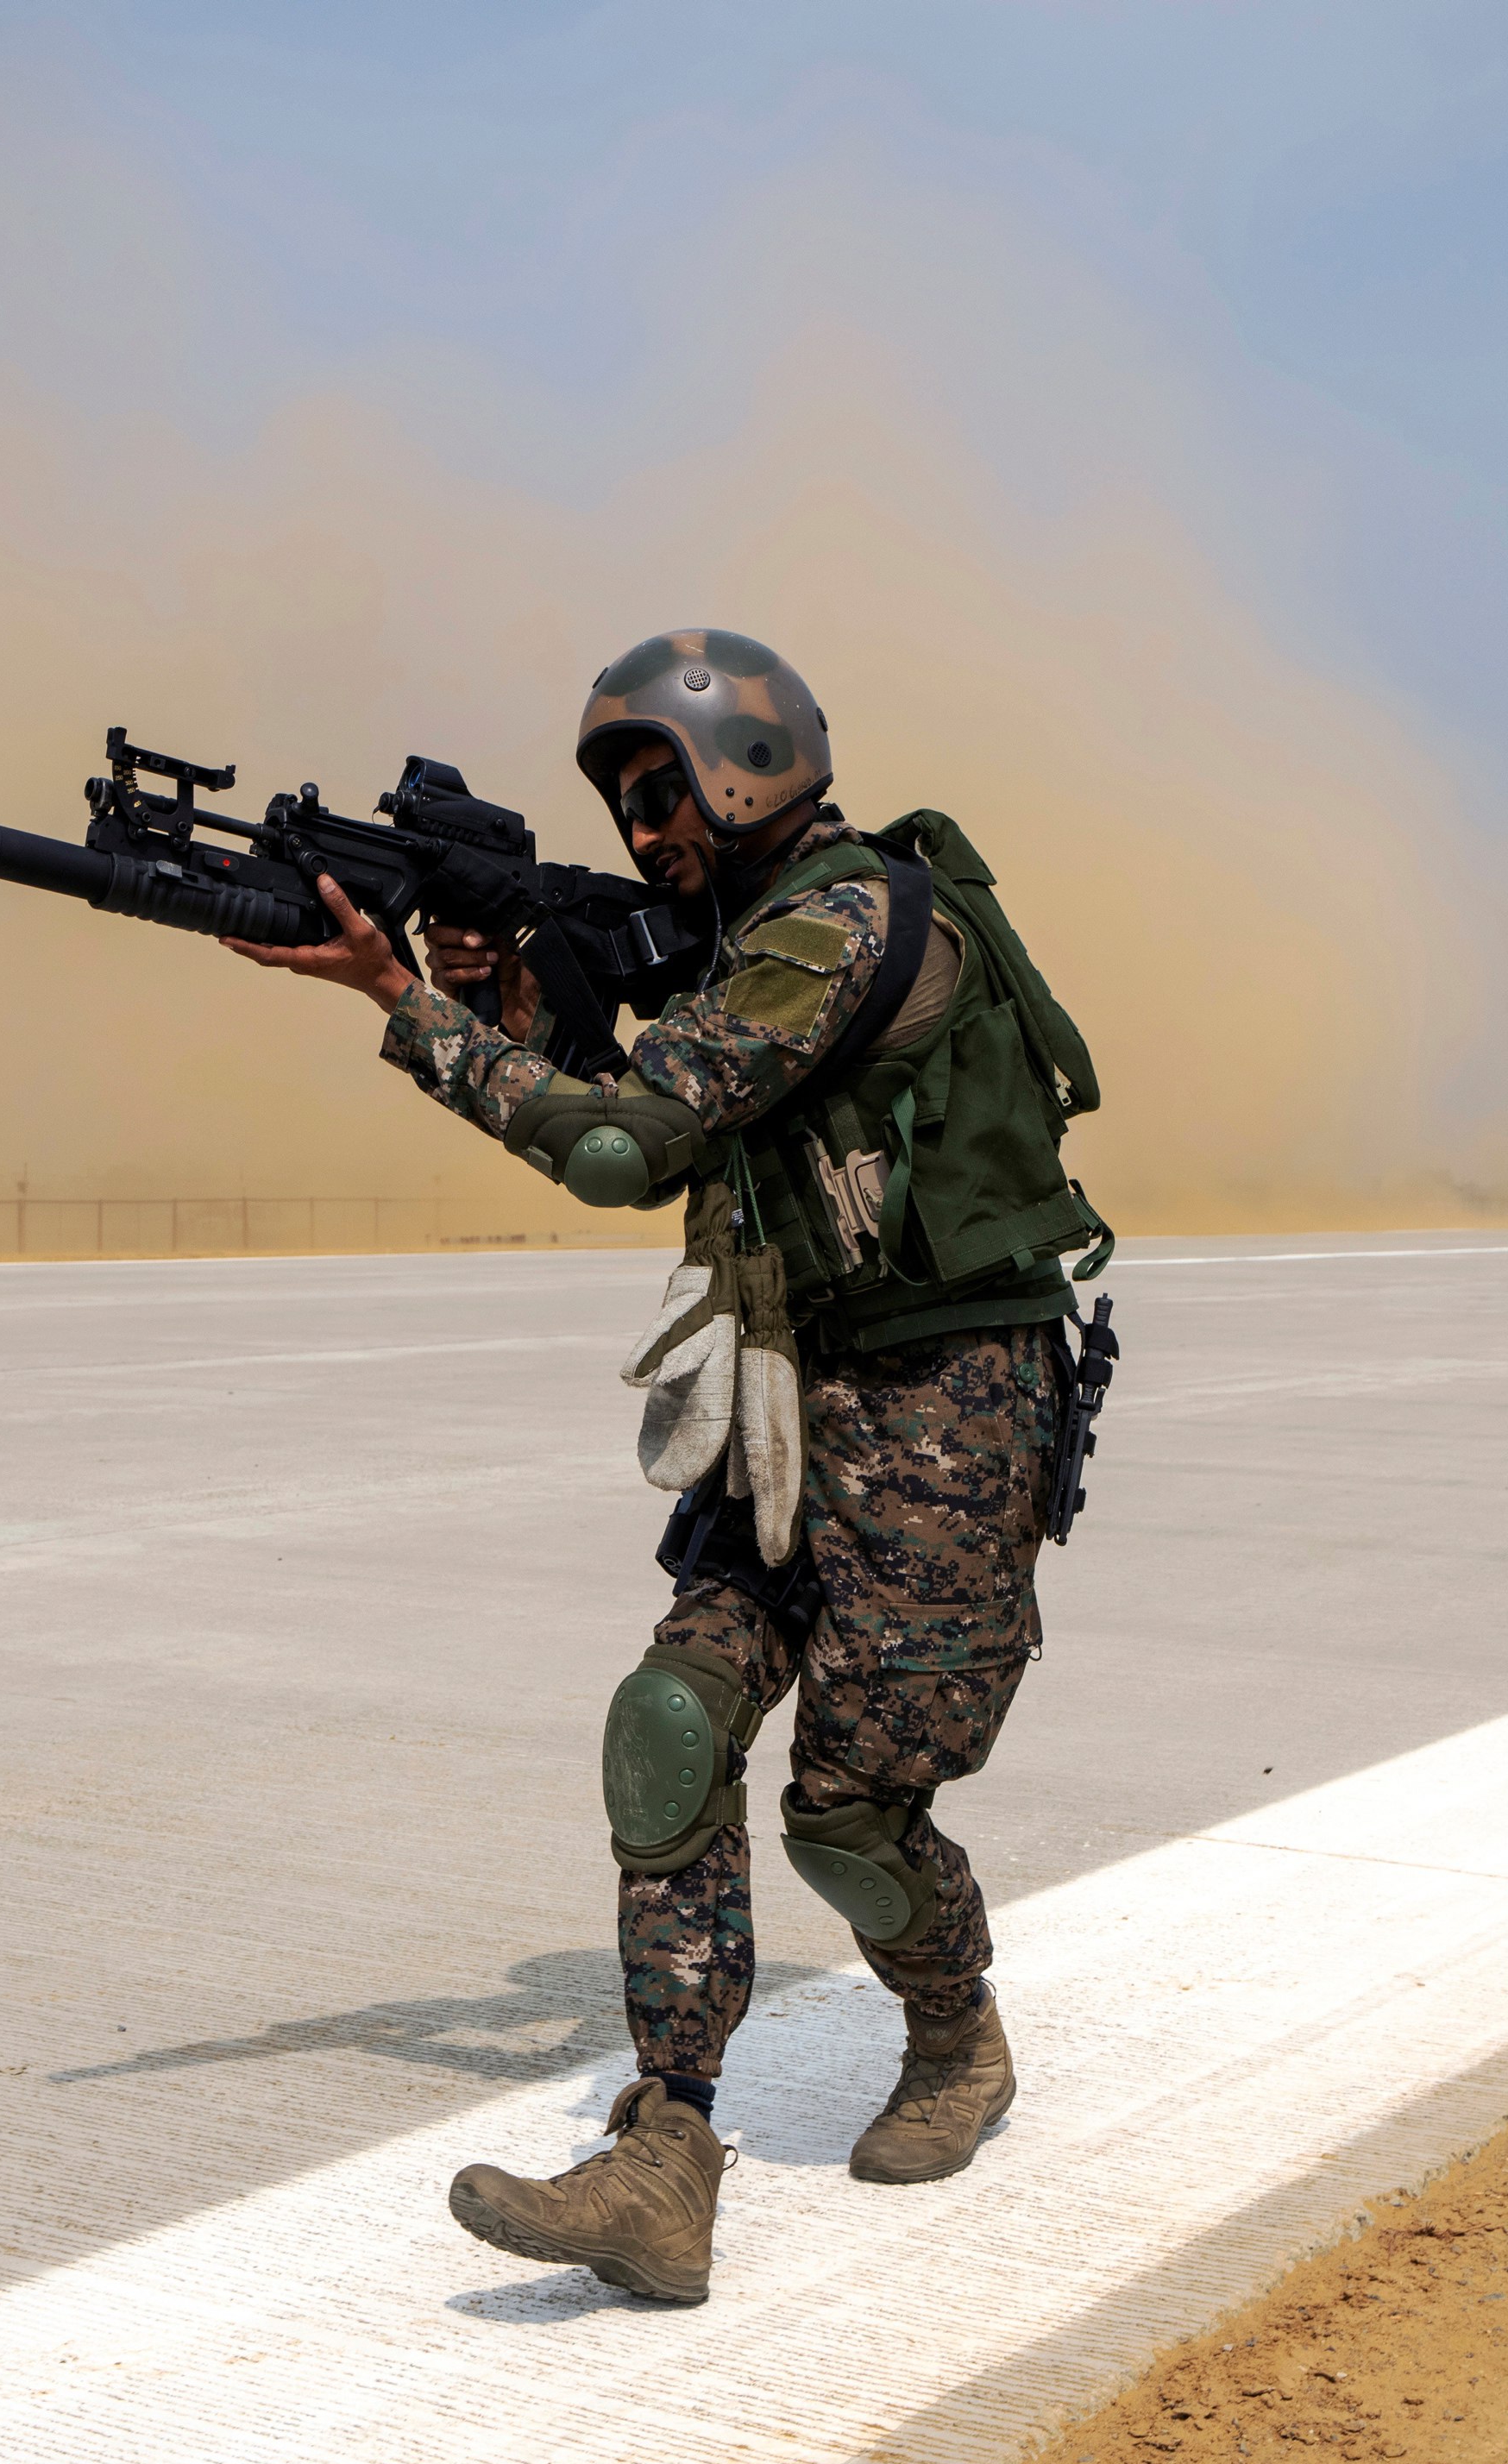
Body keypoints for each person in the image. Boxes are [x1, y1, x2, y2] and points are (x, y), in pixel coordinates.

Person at [217, 627, 1108, 2305]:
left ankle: (955, 2036)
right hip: (779, 1389)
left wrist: (406, 1010)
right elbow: (586, 1057)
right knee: (669, 1725)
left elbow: (627, 1142)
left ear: (748, 761)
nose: (642, 826)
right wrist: (505, 983)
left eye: (660, 787)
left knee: (849, 1814)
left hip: (939, 1411)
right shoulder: (714, 939)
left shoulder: (837, 922)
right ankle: (662, 2153)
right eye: (619, 799)